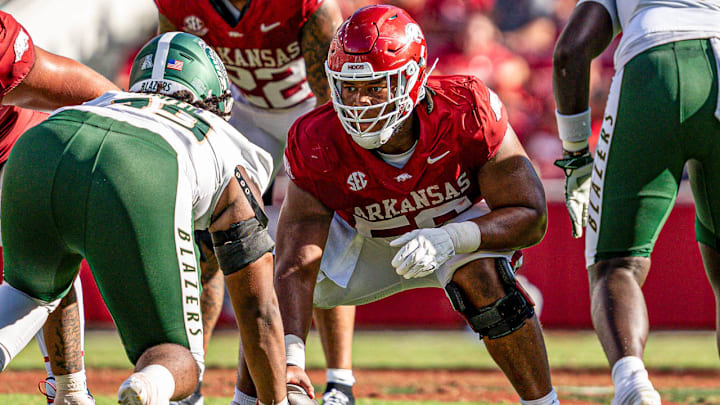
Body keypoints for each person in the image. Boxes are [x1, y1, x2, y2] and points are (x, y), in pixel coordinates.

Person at [258, 5, 561, 405]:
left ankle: (544, 402)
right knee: (263, 283)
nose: (359, 102)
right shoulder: (316, 136)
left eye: (374, 87)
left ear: (412, 78)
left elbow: (530, 215)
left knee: (487, 277)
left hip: (453, 238)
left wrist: (453, 238)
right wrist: (291, 359)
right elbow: (296, 261)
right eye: (349, 88)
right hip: (367, 244)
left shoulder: (467, 107)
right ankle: (254, 399)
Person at [0, 31, 289, 405]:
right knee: (178, 358)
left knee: (29, 295)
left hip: (40, 144)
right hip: (141, 165)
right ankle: (147, 388)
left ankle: (74, 392)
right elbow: (259, 307)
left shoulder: (112, 99)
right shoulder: (225, 142)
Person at [153, 2, 359, 404]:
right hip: (240, 117)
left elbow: (330, 95)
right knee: (209, 240)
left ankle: (340, 381)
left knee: (325, 238)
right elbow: (174, 63)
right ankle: (190, 376)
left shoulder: (304, 7)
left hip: (307, 112)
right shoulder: (181, 5)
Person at [552, 1, 720, 404]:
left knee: (616, 263)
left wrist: (575, 154)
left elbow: (570, 52)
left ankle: (633, 385)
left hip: (653, 62)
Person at [0, 10, 120, 404]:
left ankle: (69, 390)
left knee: (46, 254)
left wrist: (135, 118)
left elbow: (75, 87)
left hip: (15, 154)